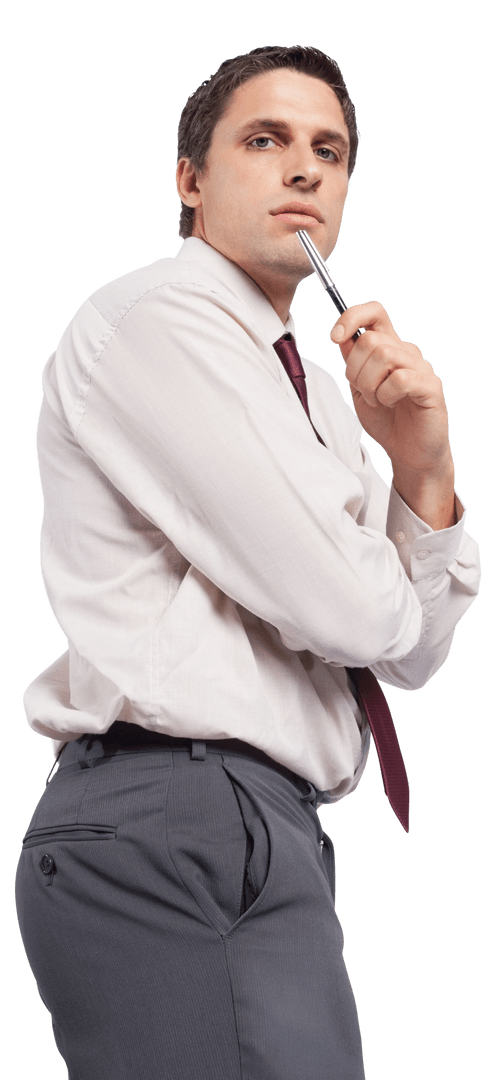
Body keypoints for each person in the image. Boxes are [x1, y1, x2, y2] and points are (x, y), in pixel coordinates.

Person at [15, 44, 481, 1080]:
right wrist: (374, 565)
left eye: (330, 151)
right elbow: (362, 616)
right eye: (265, 140)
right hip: (172, 808)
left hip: (262, 820)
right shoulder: (158, 323)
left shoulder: (312, 392)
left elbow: (410, 658)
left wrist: (422, 467)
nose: (304, 167)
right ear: (189, 179)